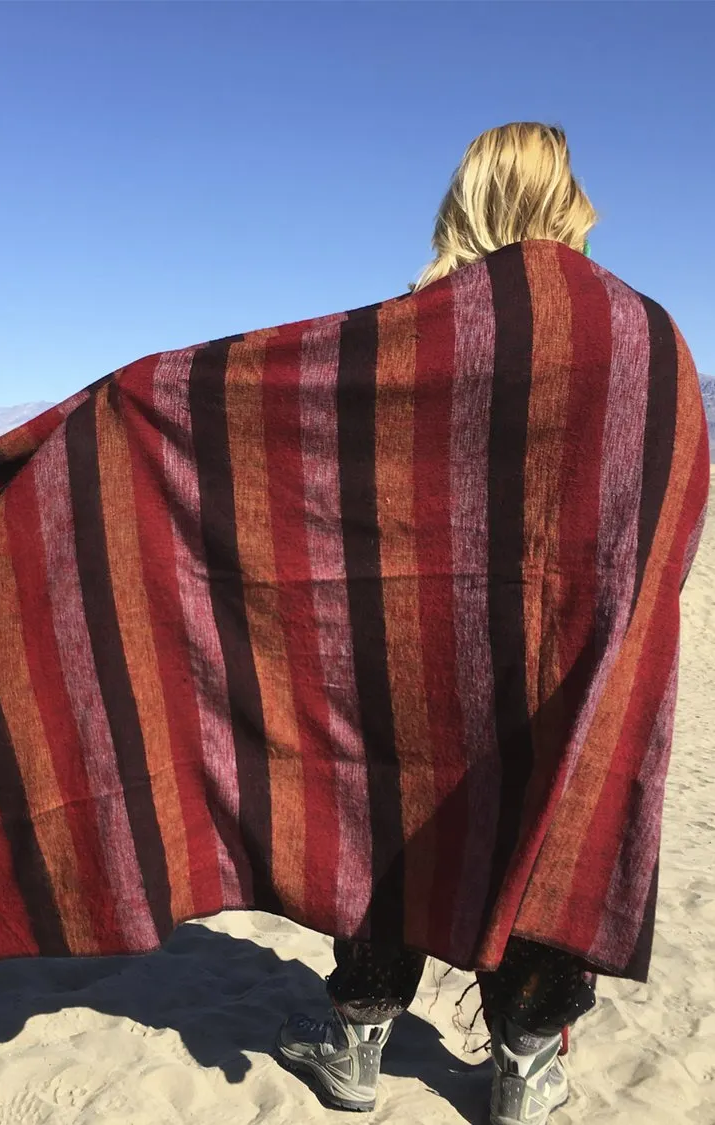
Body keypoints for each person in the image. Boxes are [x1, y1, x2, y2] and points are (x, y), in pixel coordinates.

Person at [276, 122, 622, 1125]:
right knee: (544, 834)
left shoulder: (404, 332)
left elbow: (295, 452)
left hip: (412, 664)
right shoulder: (632, 333)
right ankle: (526, 1072)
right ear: (570, 200)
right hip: (561, 664)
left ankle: (356, 1054)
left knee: (389, 834)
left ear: (463, 201)